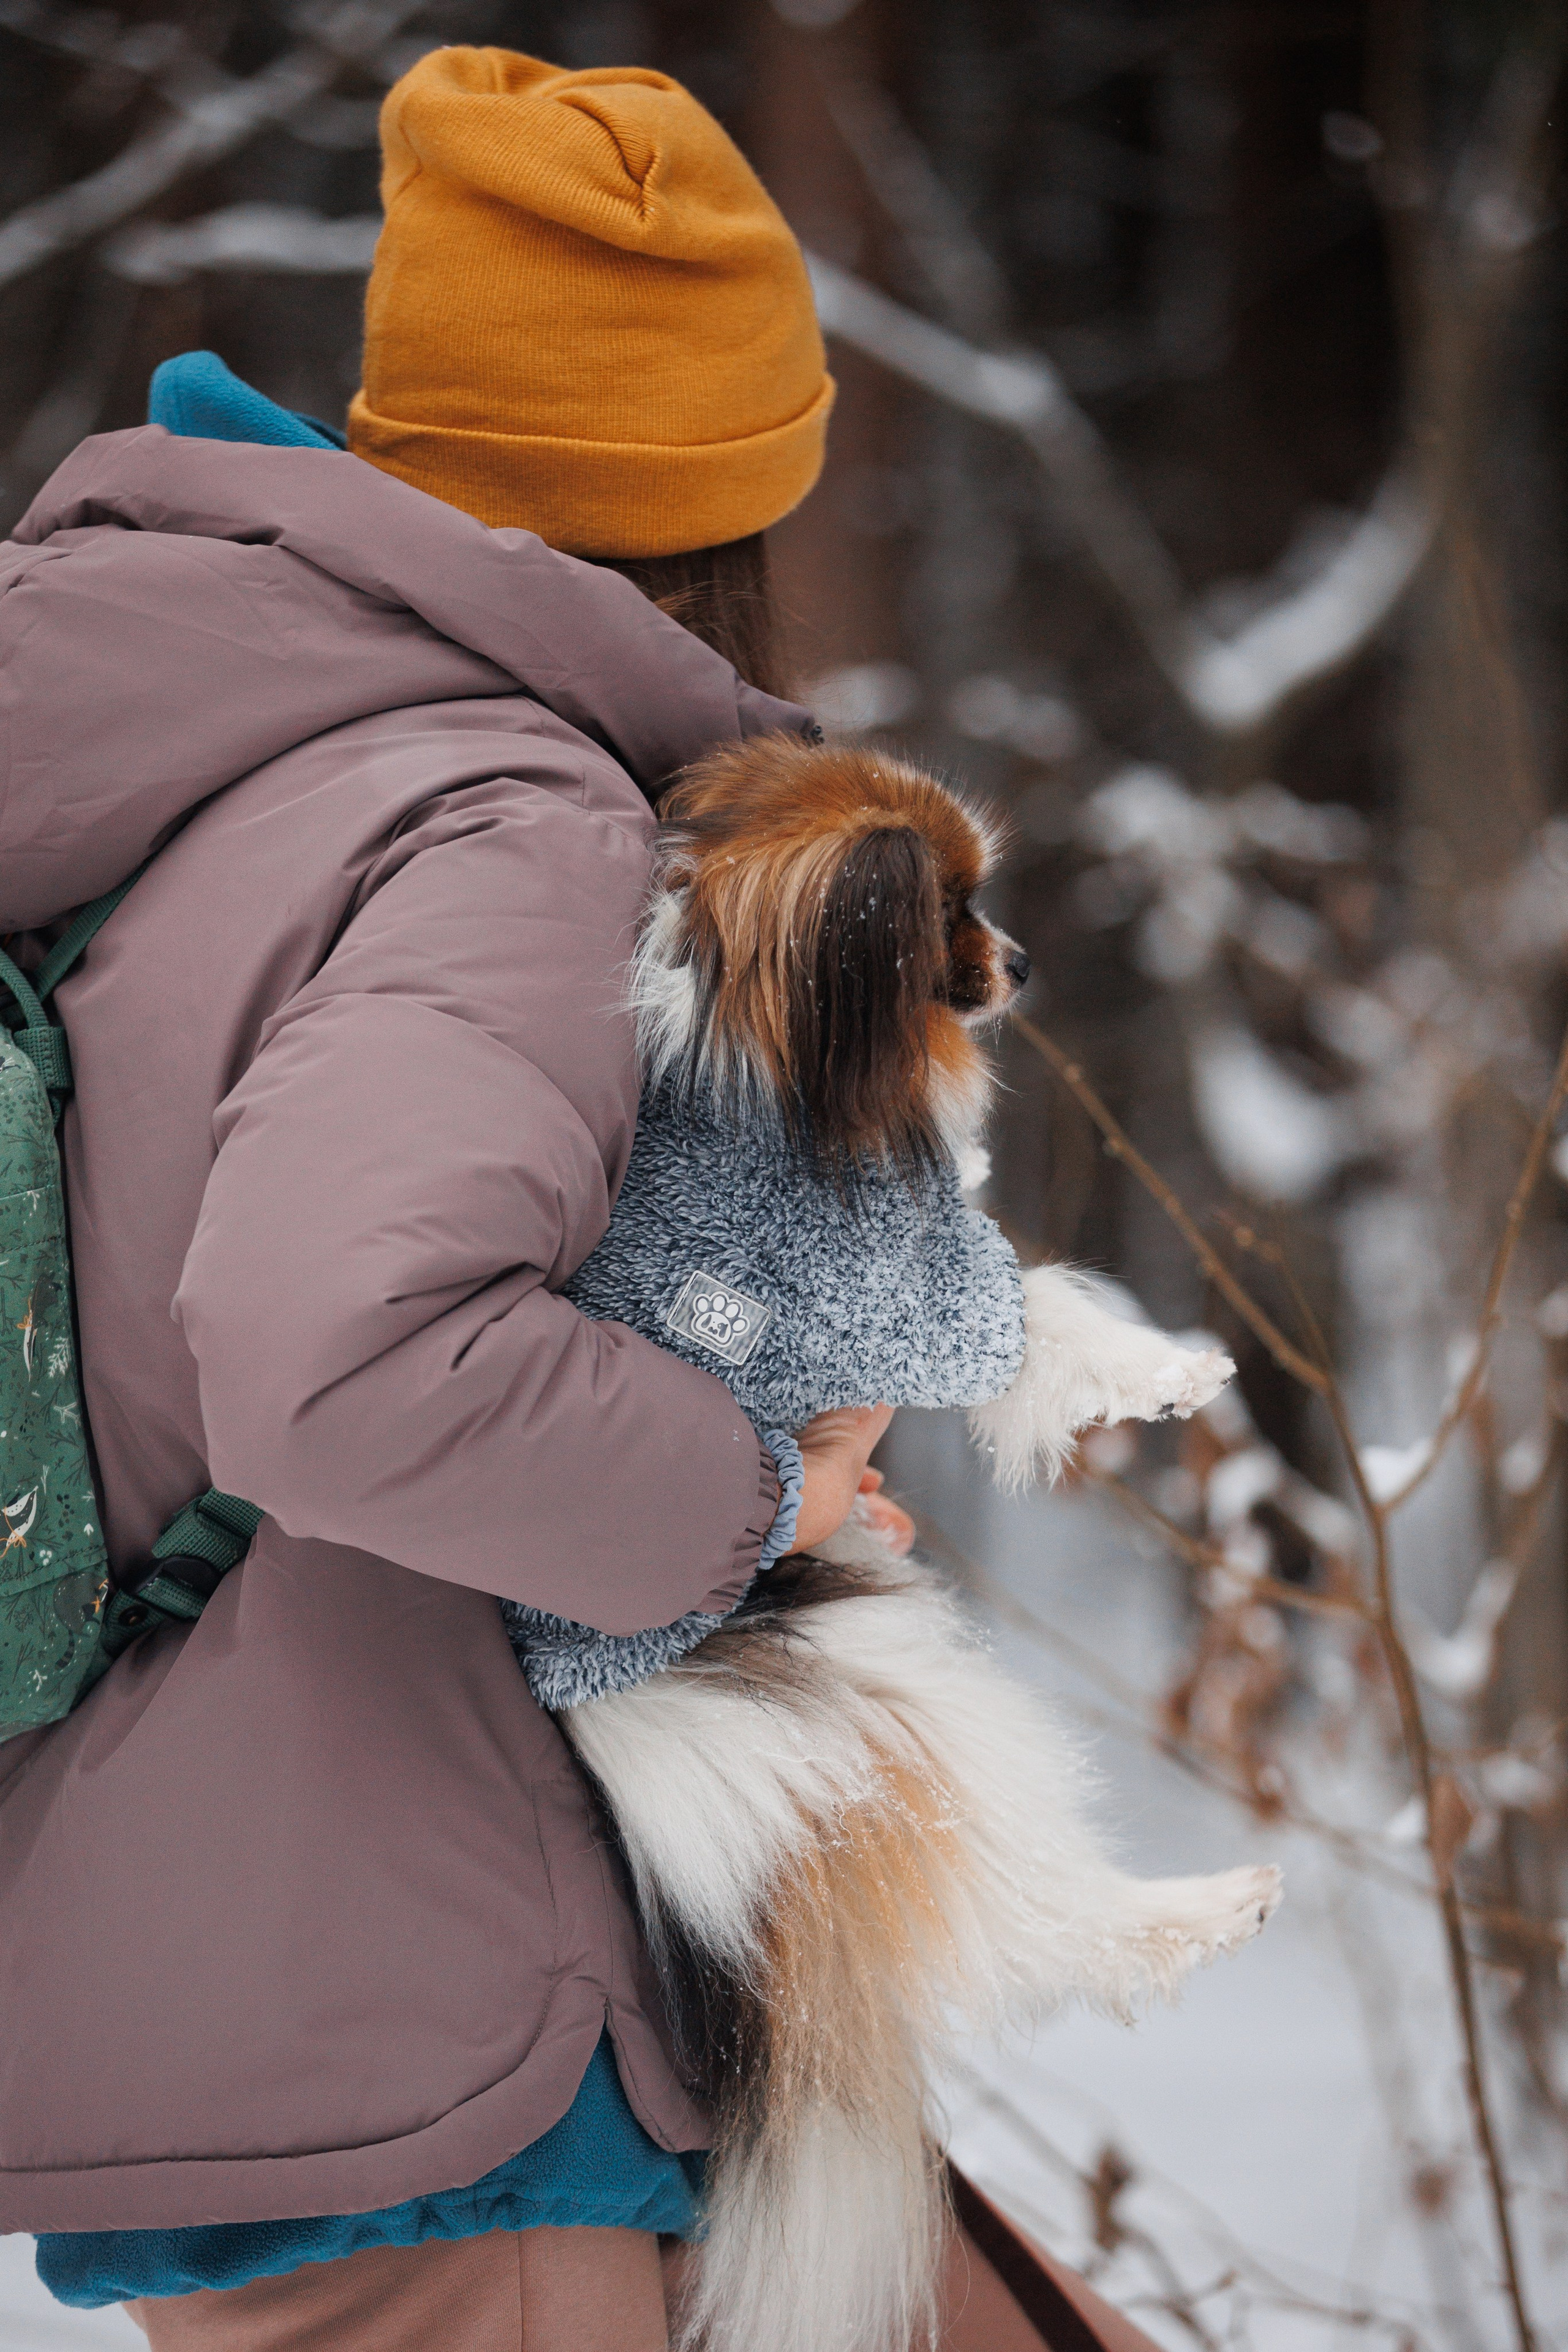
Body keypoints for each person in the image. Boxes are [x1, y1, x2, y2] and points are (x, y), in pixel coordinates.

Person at [0, 45, 898, 2351]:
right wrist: (746, 1492)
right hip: (424, 2056)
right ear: (725, 491)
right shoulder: (505, 820)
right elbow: (340, 1353)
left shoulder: (217, 745)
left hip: (250, 1977)